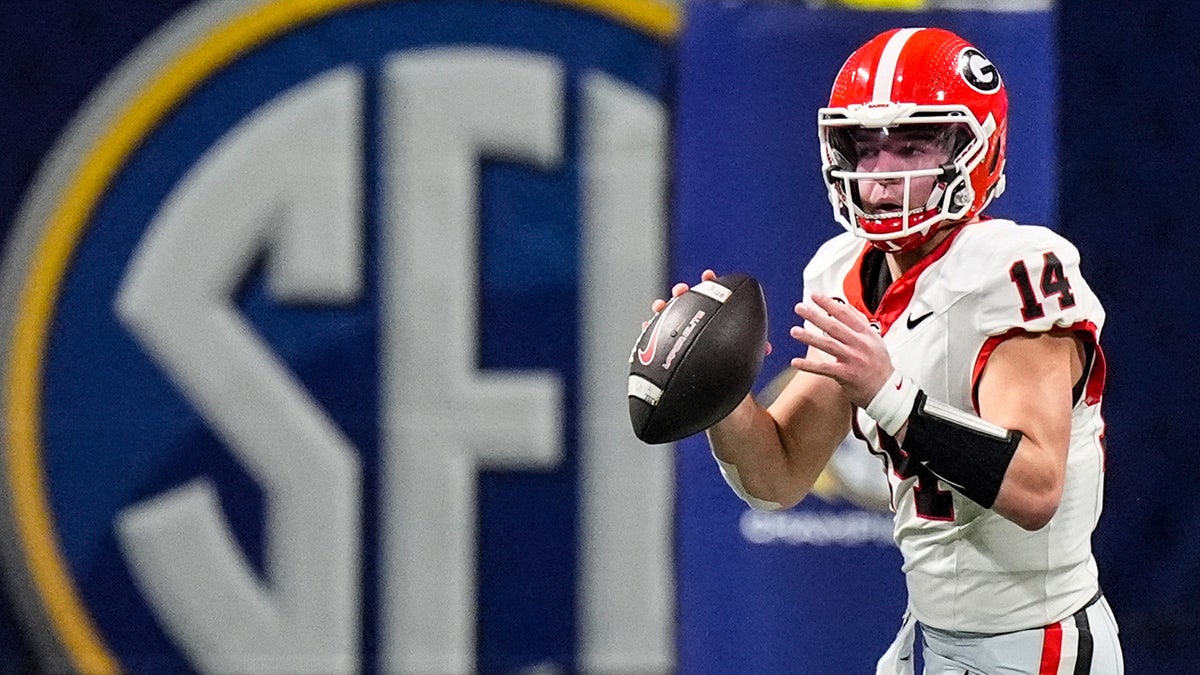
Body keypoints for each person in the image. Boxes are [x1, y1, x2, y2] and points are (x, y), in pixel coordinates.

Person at [654, 27, 1123, 673]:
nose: (880, 176)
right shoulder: (843, 269)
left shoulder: (1012, 270)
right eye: (865, 148)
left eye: (911, 146)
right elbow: (779, 476)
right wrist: (722, 393)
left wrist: (889, 395)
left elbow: (1036, 489)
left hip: (1038, 642)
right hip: (931, 637)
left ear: (977, 148)